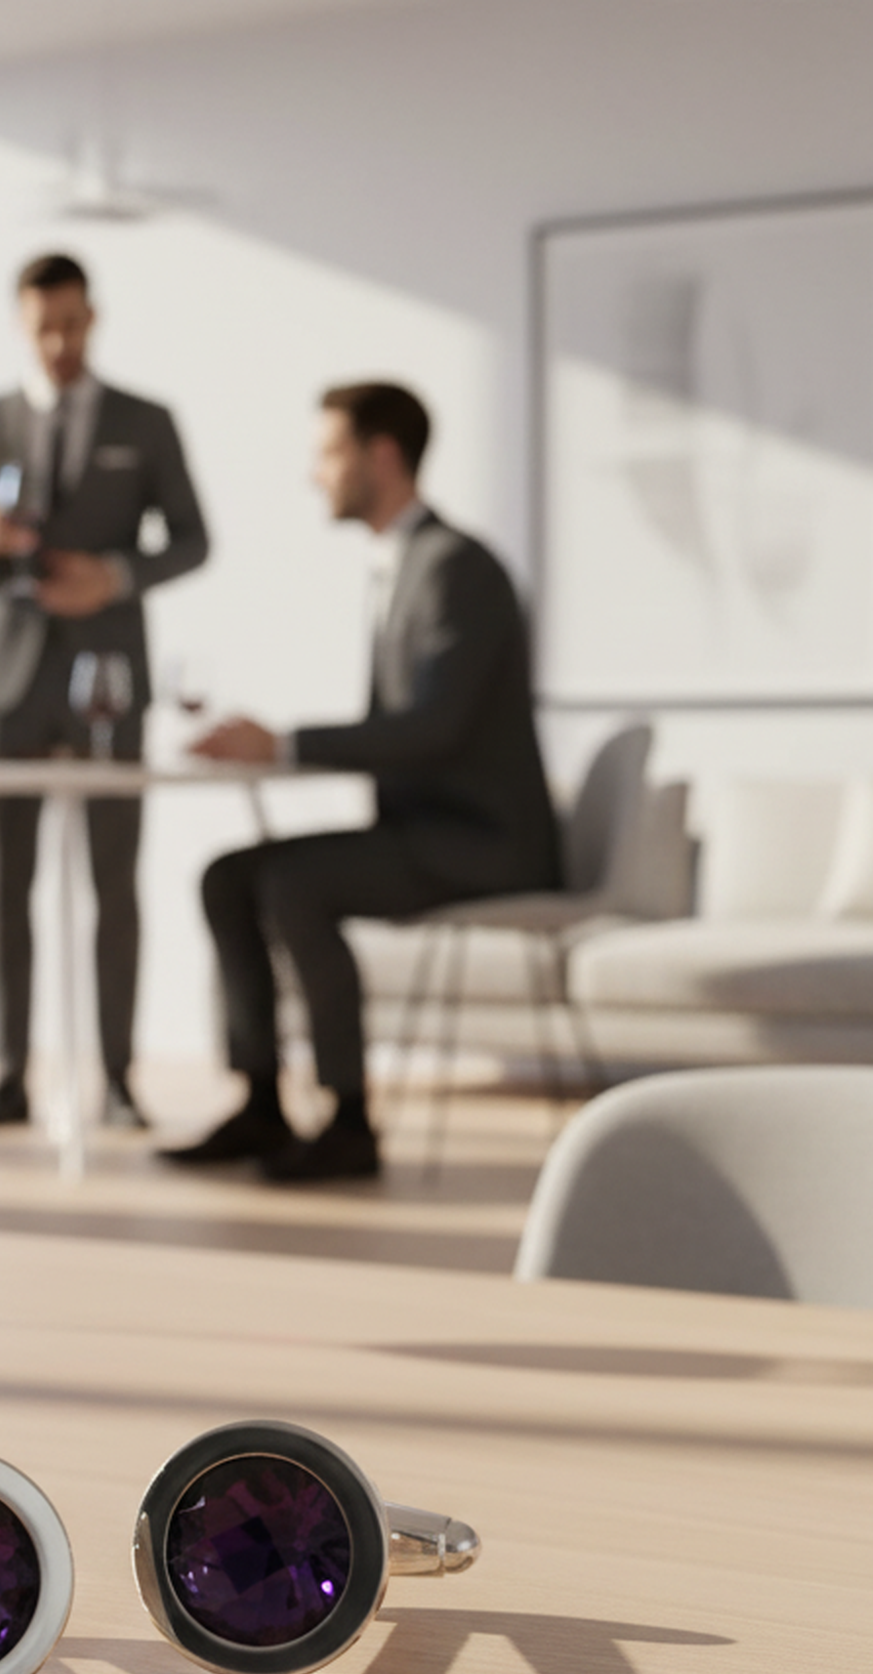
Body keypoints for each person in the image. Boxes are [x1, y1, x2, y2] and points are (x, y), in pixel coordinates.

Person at [165, 380, 561, 1184]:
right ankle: (264, 1103)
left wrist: (283, 745)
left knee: (289, 883)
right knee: (227, 876)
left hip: (483, 843)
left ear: (381, 455)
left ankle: (348, 1120)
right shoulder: (406, 564)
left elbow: (433, 728)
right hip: (427, 830)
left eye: (328, 453)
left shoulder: (457, 568)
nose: (316, 474)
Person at [0, 252, 210, 1132]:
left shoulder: (146, 421)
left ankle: (119, 1080)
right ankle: (12, 1074)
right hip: (8, 680)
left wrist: (115, 577)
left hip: (109, 683)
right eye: (45, 325)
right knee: (5, 887)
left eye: (75, 323)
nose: (60, 341)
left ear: (95, 317)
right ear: (21, 322)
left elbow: (193, 539)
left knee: (113, 885)